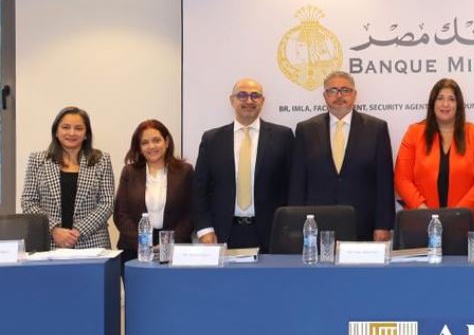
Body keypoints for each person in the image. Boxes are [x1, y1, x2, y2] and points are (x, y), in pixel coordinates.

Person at [290, 71, 395, 241]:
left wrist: (383, 225)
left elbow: (384, 182)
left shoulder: (376, 129)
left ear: (354, 95)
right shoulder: (306, 130)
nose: (339, 96)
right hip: (317, 224)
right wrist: (296, 223)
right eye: (332, 91)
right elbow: (298, 182)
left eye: (345, 90)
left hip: (362, 223)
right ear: (325, 96)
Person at [193, 78, 294, 252]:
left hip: (271, 233)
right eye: (242, 95)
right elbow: (200, 189)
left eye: (255, 96)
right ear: (232, 100)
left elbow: (292, 186)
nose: (249, 100)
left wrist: (288, 228)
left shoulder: (283, 136)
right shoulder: (212, 140)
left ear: (262, 101)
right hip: (222, 233)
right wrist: (205, 229)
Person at [395, 78, 474, 240]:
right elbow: (402, 179)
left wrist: (457, 215)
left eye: (451, 99)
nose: (445, 104)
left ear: (458, 104)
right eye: (440, 98)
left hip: (466, 226)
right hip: (420, 224)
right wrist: (424, 212)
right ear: (433, 103)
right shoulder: (414, 133)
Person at [21, 107, 114, 249]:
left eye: (78, 128)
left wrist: (77, 232)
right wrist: (54, 229)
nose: (71, 133)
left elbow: (106, 203)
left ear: (86, 134)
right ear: (56, 132)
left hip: (92, 244)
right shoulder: (37, 160)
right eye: (65, 127)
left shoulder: (102, 160)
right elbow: (29, 202)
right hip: (49, 243)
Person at [113, 120, 195, 264]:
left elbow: (191, 213)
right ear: (139, 147)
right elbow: (121, 214)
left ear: (167, 142)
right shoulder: (129, 172)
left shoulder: (185, 171)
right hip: (134, 249)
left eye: (156, 140)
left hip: (175, 249)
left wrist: (168, 244)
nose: (151, 146)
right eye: (144, 142)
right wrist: (143, 244)